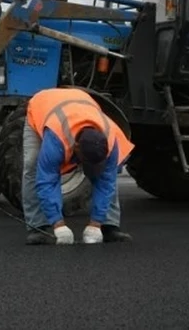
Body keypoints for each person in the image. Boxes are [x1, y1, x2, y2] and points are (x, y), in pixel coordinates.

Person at [21, 87, 136, 245]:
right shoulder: (56, 138)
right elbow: (47, 180)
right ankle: (37, 227)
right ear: (75, 147)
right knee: (32, 164)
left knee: (109, 173)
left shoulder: (111, 139)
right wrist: (58, 224)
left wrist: (95, 223)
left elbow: (106, 181)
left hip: (79, 103)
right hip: (42, 107)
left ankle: (109, 226)